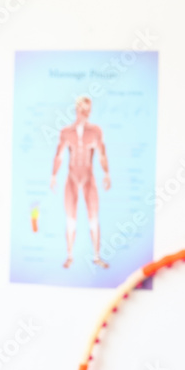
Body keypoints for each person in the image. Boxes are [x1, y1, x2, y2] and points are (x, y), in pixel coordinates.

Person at [50, 95, 112, 269]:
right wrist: (53, 175)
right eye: (82, 109)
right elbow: (59, 155)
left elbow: (102, 154)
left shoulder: (95, 131)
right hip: (72, 177)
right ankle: (70, 256)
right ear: (76, 109)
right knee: (71, 219)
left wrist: (106, 173)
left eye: (88, 110)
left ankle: (96, 256)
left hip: (88, 178)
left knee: (93, 218)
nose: (85, 113)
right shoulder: (66, 132)